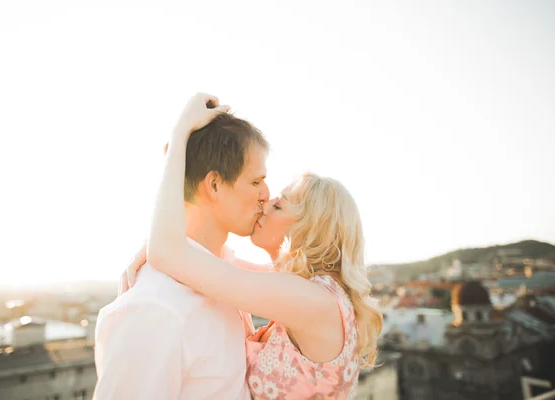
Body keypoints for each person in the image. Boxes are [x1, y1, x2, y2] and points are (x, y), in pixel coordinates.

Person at [122, 93, 383, 399]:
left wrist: (180, 134)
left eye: (279, 206)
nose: (266, 199)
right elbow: (209, 260)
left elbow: (170, 254)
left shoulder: (312, 300)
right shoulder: (308, 291)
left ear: (307, 229)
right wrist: (161, 243)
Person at [93, 93, 270, 399]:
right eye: (256, 182)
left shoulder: (226, 275)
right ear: (214, 185)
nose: (267, 194)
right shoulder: (154, 310)